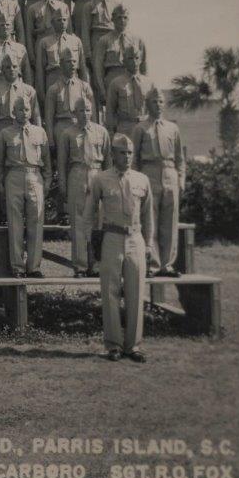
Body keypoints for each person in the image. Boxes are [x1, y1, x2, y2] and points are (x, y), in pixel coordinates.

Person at [83, 134, 154, 362]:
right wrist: (90, 243)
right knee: (110, 292)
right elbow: (89, 213)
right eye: (122, 153)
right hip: (111, 238)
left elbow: (148, 216)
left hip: (135, 238)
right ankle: (113, 345)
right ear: (112, 154)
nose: (127, 157)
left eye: (130, 152)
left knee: (136, 292)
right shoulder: (100, 179)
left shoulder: (142, 180)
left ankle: (133, 346)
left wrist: (149, 244)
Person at [0, 96, 52, 277]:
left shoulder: (40, 132)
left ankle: (34, 267)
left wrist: (47, 181)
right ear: (14, 112)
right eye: (20, 109)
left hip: (35, 176)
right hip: (14, 175)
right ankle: (18, 267)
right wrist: (1, 184)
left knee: (36, 220)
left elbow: (47, 162)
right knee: (15, 223)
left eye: (27, 109)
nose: (24, 112)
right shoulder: (5, 133)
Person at [132, 89, 185, 278]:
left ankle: (167, 265)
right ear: (148, 104)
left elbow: (180, 158)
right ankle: (153, 264)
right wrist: (136, 182)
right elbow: (135, 158)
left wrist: (181, 179)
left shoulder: (173, 128)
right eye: (154, 102)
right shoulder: (141, 128)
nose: (158, 105)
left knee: (169, 221)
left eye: (161, 101)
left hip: (170, 173)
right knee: (150, 220)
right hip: (149, 173)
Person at [58, 98, 111, 277]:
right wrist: (64, 186)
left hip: (97, 174)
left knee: (98, 222)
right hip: (77, 174)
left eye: (88, 110)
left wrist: (109, 185)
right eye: (81, 111)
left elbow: (108, 161)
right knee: (78, 223)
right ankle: (80, 266)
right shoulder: (68, 134)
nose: (85, 114)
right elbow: (62, 163)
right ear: (75, 113)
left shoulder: (101, 132)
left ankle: (96, 264)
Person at [93, 4, 148, 107]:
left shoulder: (137, 40)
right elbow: (98, 68)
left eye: (125, 17)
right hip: (112, 78)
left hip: (132, 80)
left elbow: (144, 66)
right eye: (119, 17)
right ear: (112, 19)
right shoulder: (104, 40)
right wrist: (102, 90)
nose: (122, 21)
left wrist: (144, 87)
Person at [44, 47, 96, 150]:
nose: (72, 64)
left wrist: (93, 132)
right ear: (61, 64)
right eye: (68, 61)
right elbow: (49, 117)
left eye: (74, 61)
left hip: (80, 125)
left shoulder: (84, 87)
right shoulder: (54, 89)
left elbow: (92, 113)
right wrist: (50, 139)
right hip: (61, 127)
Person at [35, 7, 88, 106]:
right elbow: (40, 70)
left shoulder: (76, 41)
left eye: (64, 19)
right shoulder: (44, 42)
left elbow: (82, 67)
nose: (62, 22)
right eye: (59, 20)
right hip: (53, 78)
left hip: (73, 79)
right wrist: (41, 92)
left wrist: (85, 87)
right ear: (52, 22)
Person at [0, 51, 41, 144]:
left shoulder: (29, 91)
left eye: (14, 66)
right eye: (7, 67)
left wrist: (38, 135)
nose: (11, 69)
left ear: (19, 69)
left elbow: (36, 116)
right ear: (2, 71)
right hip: (2, 130)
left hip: (24, 131)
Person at [105, 45, 156, 136]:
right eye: (130, 58)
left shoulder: (149, 83)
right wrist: (111, 132)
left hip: (145, 127)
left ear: (140, 60)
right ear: (123, 61)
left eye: (137, 58)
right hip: (125, 128)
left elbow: (155, 108)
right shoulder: (116, 83)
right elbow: (110, 111)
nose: (134, 62)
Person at [24, 0, 71, 68]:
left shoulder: (63, 6)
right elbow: (29, 34)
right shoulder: (33, 8)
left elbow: (69, 31)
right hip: (40, 45)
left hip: (60, 44)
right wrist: (31, 55)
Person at [0, 15, 32, 98]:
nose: (5, 27)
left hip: (16, 88)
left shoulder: (20, 48)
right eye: (2, 25)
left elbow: (27, 73)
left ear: (12, 28)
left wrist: (28, 93)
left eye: (7, 25)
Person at [81, 0, 119, 69]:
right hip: (96, 40)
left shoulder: (116, 5)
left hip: (112, 40)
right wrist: (87, 53)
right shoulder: (89, 5)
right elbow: (85, 30)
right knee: (97, 73)